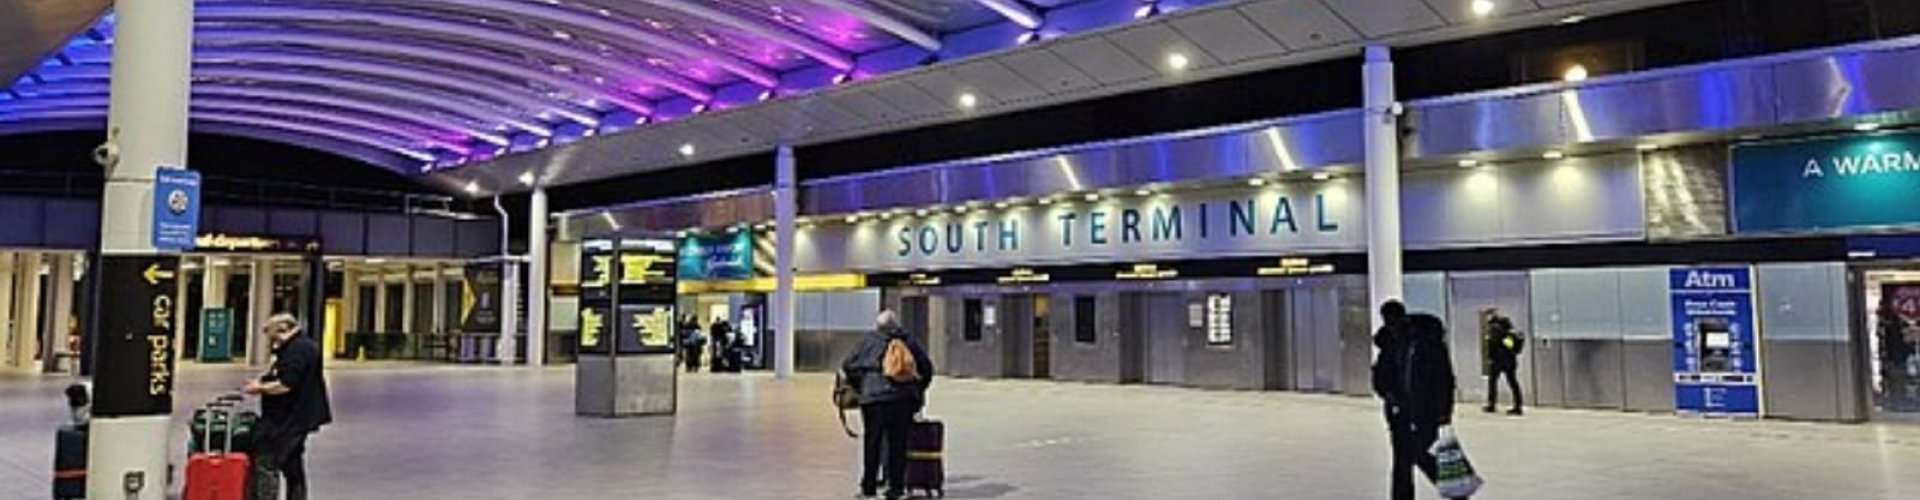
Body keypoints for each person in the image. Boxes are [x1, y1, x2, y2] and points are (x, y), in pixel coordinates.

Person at [1372, 302, 1469, 500]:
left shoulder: (1427, 342)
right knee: (1402, 461)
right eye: (1387, 321)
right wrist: (1386, 392)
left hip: (1425, 410)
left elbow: (1444, 378)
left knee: (1422, 454)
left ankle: (1456, 491)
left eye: (1393, 321)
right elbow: (1380, 373)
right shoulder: (1389, 343)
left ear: (1402, 317)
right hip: (1399, 411)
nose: (1390, 325)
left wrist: (1444, 410)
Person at [842, 310, 934, 500]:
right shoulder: (908, 341)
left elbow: (848, 365)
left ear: (878, 326)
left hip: (873, 400)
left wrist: (862, 386)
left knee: (873, 443)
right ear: (896, 324)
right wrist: (917, 390)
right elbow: (927, 368)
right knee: (898, 445)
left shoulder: (868, 341)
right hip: (902, 399)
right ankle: (896, 488)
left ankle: (869, 488)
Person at [242, 313, 333, 500]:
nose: (273, 342)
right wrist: (265, 380)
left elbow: (286, 384)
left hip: (289, 419)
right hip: (299, 416)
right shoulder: (302, 346)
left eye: (274, 336)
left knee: (267, 460)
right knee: (292, 464)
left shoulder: (297, 350)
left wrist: (259, 388)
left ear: (283, 329)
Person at [1482, 312, 1524, 416]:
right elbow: (1513, 348)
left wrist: (1490, 357)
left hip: (1498, 360)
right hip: (1510, 360)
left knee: (1493, 382)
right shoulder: (1511, 332)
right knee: (1513, 383)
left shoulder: (1495, 330)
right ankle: (1518, 406)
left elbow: (1493, 345)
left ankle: (1491, 404)